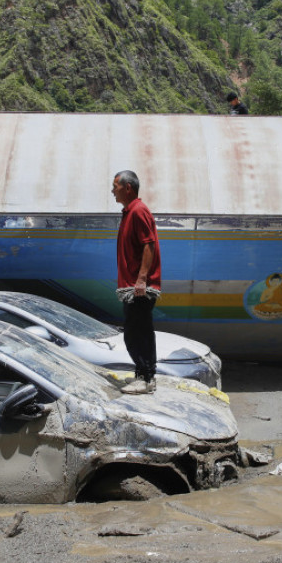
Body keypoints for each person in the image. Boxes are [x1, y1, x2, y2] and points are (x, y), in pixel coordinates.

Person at [111, 169, 162, 394]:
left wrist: (141, 280)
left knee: (138, 332)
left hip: (139, 288)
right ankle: (143, 374)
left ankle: (147, 378)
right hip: (132, 286)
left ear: (128, 187)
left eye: (116, 186)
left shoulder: (139, 210)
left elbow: (148, 245)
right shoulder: (129, 211)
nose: (112, 190)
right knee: (135, 331)